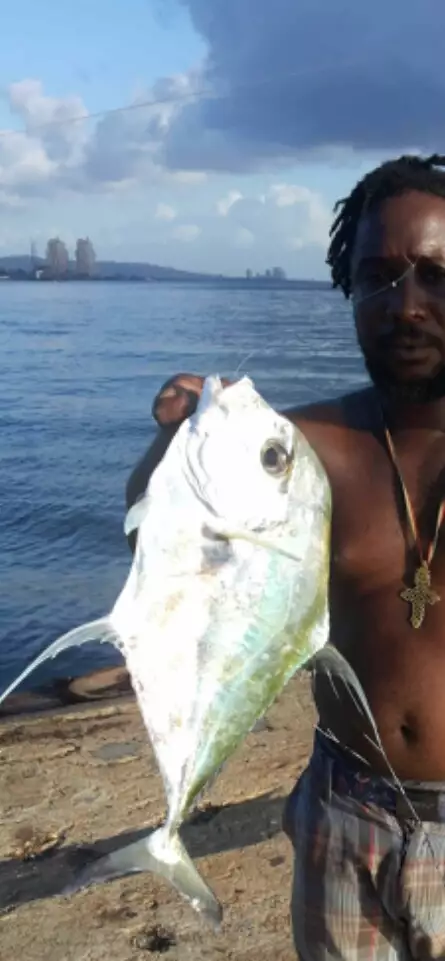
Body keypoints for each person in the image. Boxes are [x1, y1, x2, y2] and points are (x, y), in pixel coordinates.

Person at [126, 154, 445, 959]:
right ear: (346, 290)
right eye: (375, 277)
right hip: (343, 813)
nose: (405, 306)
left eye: (435, 274)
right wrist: (174, 443)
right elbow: (154, 527)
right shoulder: (304, 451)